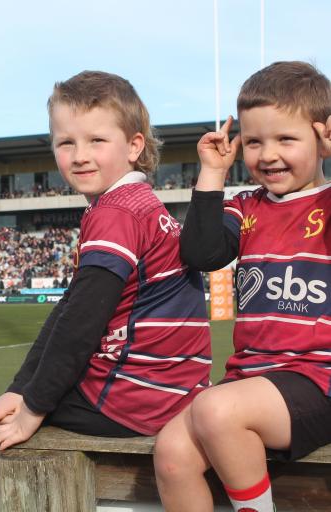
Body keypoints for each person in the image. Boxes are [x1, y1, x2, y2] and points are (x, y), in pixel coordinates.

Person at [0, 71, 211, 449]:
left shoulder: (115, 212)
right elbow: (71, 307)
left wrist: (31, 409)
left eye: (96, 140)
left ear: (134, 146)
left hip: (132, 399)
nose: (80, 156)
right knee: (29, 394)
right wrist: (21, 388)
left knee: (10, 424)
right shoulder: (142, 203)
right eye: (66, 142)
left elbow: (81, 322)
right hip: (175, 393)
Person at [154, 61, 331, 512]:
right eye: (253, 142)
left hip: (319, 379)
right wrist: (212, 173)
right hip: (250, 379)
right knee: (172, 453)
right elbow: (201, 254)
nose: (267, 154)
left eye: (285, 139)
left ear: (323, 137)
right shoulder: (244, 205)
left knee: (216, 410)